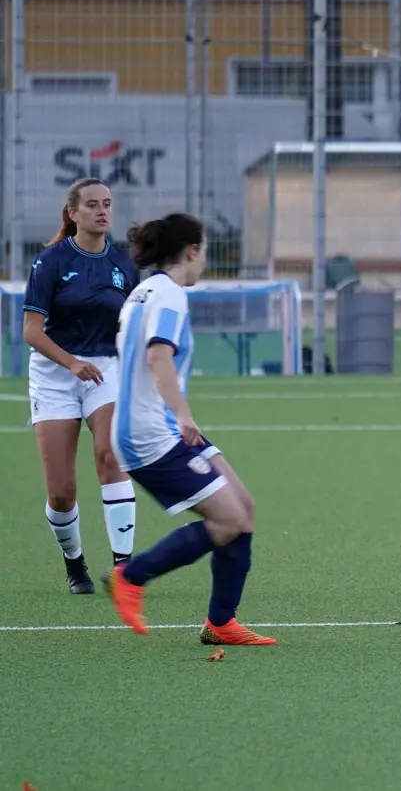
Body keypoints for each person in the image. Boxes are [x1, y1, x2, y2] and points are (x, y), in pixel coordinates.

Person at [107, 214, 274, 646]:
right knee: (230, 518)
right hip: (152, 433)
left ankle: (221, 624)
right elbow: (158, 357)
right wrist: (183, 415)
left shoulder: (142, 292)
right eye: (204, 253)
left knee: (244, 509)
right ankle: (132, 576)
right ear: (192, 251)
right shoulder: (168, 295)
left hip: (152, 424)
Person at [22, 177, 139, 594]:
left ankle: (125, 570)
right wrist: (72, 363)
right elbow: (32, 332)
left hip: (106, 370)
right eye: (92, 204)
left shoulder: (125, 263)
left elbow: (135, 324)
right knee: (61, 493)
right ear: (73, 213)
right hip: (56, 374)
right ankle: (75, 565)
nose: (102, 211)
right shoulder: (50, 261)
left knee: (110, 455)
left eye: (107, 203)